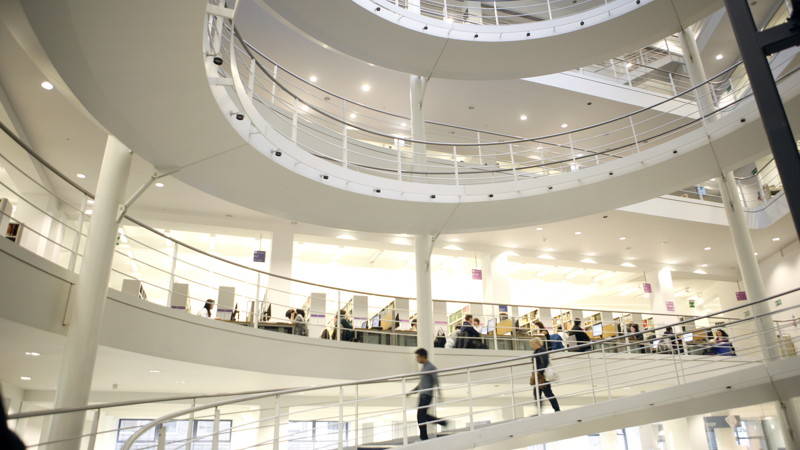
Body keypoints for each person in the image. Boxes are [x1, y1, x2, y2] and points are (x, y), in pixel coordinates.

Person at [408, 348, 447, 440]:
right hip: (422, 395)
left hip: (427, 395)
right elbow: (422, 383)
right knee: (422, 415)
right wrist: (412, 391)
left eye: (418, 357)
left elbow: (436, 381)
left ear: (423, 357)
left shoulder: (431, 367)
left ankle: (424, 437)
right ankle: (442, 422)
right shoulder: (424, 367)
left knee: (420, 416)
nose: (417, 359)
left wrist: (440, 394)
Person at [529, 338, 560, 413]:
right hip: (538, 375)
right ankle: (541, 410)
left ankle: (557, 410)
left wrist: (539, 372)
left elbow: (545, 362)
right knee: (538, 393)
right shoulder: (537, 351)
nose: (531, 346)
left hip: (541, 376)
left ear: (536, 343)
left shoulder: (541, 350)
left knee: (547, 393)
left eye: (532, 344)